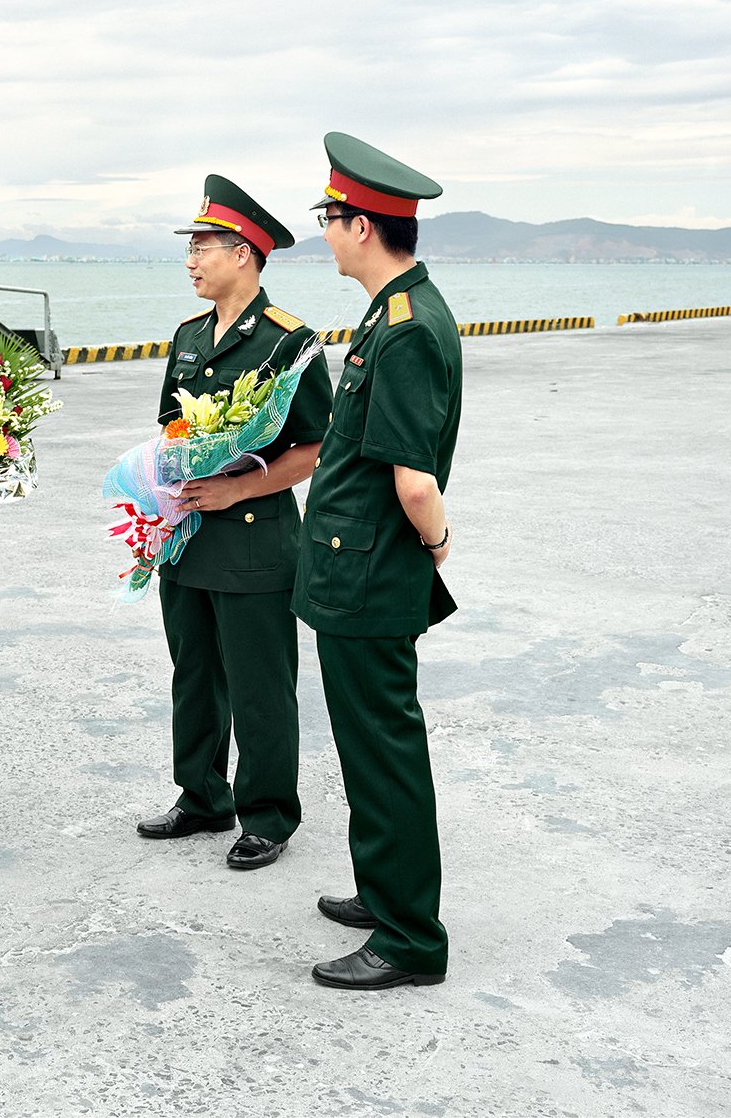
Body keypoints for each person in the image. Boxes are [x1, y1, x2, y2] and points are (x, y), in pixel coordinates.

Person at [292, 132, 462, 991]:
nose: (322, 231)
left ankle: (408, 940)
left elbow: (414, 482)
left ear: (361, 225)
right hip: (350, 569)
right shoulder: (389, 309)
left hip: (371, 574)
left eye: (327, 217)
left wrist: (436, 543)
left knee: (385, 749)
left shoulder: (405, 330)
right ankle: (382, 890)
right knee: (367, 744)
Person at [136, 174, 332, 871]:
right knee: (193, 671)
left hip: (253, 537)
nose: (191, 259)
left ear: (245, 252)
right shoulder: (189, 335)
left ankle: (269, 814)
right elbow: (171, 429)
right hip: (186, 536)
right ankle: (202, 796)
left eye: (204, 246)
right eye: (190, 246)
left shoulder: (289, 342)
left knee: (258, 680)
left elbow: (312, 447)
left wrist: (237, 485)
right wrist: (152, 498)